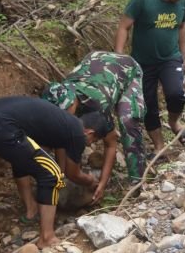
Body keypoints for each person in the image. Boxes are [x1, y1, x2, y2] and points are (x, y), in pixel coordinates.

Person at [0, 96, 109, 248]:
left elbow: (48, 156)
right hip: (0, 123)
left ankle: (31, 210)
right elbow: (73, 174)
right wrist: (91, 182)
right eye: (94, 140)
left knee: (25, 156)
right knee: (52, 174)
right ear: (90, 133)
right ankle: (47, 237)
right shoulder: (77, 133)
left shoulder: (64, 123)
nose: (91, 144)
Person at [41, 51, 146, 195]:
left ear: (73, 103)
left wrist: (102, 182)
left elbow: (111, 143)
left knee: (127, 121)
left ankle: (137, 181)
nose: (63, 117)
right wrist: (62, 175)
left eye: (65, 112)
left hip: (127, 69)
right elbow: (62, 138)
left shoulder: (98, 103)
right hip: (95, 61)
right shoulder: (62, 93)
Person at [115, 0, 185, 152]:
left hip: (170, 58)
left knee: (176, 94)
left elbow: (181, 28)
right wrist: (119, 57)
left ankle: (174, 123)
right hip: (143, 62)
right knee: (149, 105)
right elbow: (123, 26)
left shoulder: (182, 3)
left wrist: (182, 56)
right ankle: (159, 146)